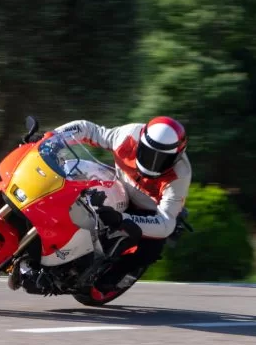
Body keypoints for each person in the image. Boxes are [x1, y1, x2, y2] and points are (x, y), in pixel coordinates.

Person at [51, 116, 192, 291]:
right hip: (116, 186)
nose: (153, 163)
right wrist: (51, 138)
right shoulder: (128, 135)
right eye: (149, 153)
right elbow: (89, 129)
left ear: (176, 156)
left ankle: (119, 274)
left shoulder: (180, 174)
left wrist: (121, 218)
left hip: (146, 211)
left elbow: (166, 223)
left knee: (150, 250)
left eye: (162, 159)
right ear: (140, 141)